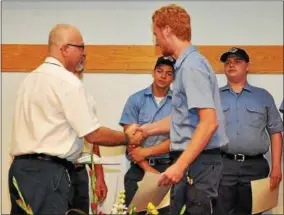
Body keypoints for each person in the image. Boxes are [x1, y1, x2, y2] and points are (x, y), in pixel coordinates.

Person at [8, 24, 142, 215]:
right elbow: (93, 134)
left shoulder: (29, 79)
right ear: (64, 49)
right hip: (49, 174)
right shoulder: (68, 82)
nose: (83, 54)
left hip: (20, 171)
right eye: (81, 48)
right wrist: (128, 137)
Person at [135, 4, 228, 215]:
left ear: (167, 30)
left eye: (156, 33)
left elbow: (209, 122)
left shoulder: (191, 67)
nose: (156, 39)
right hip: (193, 161)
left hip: (199, 163)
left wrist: (180, 165)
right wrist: (146, 130)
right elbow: (183, 118)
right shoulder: (186, 65)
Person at [213, 47, 283, 215]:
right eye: (228, 62)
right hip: (224, 165)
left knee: (253, 211)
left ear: (247, 66)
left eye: (237, 61)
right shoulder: (214, 96)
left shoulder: (263, 96)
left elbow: (275, 132)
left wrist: (276, 167)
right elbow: (204, 131)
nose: (231, 65)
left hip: (255, 166)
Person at [119, 56, 175, 214]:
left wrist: (147, 152)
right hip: (139, 168)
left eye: (169, 73)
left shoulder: (178, 103)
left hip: (167, 167)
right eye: (159, 71)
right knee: (136, 211)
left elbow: (176, 139)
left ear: (174, 77)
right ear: (153, 73)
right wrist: (147, 167)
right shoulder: (136, 100)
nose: (163, 76)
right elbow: (130, 138)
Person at [68, 55, 107, 214]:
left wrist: (99, 176)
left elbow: (94, 138)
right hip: (58, 170)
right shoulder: (56, 97)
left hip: (80, 170)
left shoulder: (88, 99)